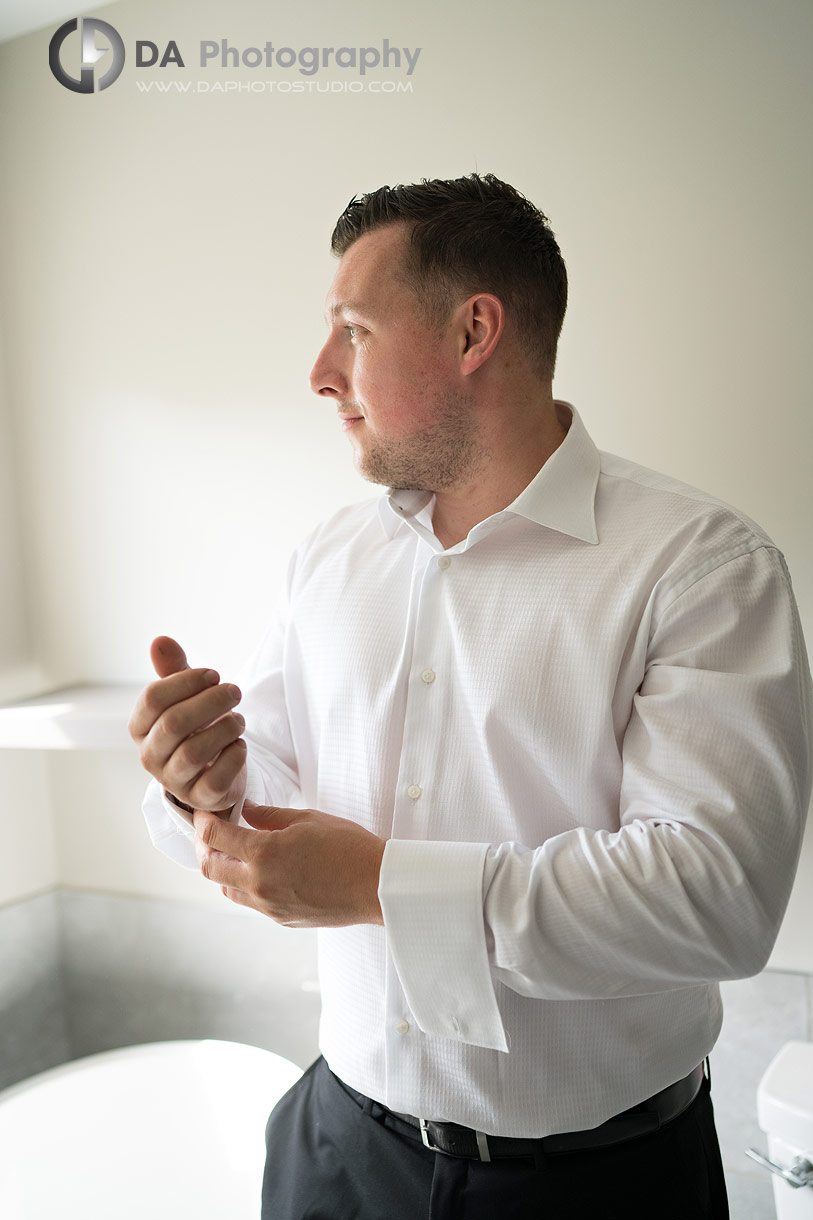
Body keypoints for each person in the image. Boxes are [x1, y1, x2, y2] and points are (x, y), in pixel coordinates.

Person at [130, 173, 812, 1220]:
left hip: (598, 1186)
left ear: (473, 332)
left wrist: (384, 884)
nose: (319, 373)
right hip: (335, 1146)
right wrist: (201, 784)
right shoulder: (328, 557)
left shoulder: (701, 567)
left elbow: (714, 895)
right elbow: (268, 778)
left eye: (353, 330)